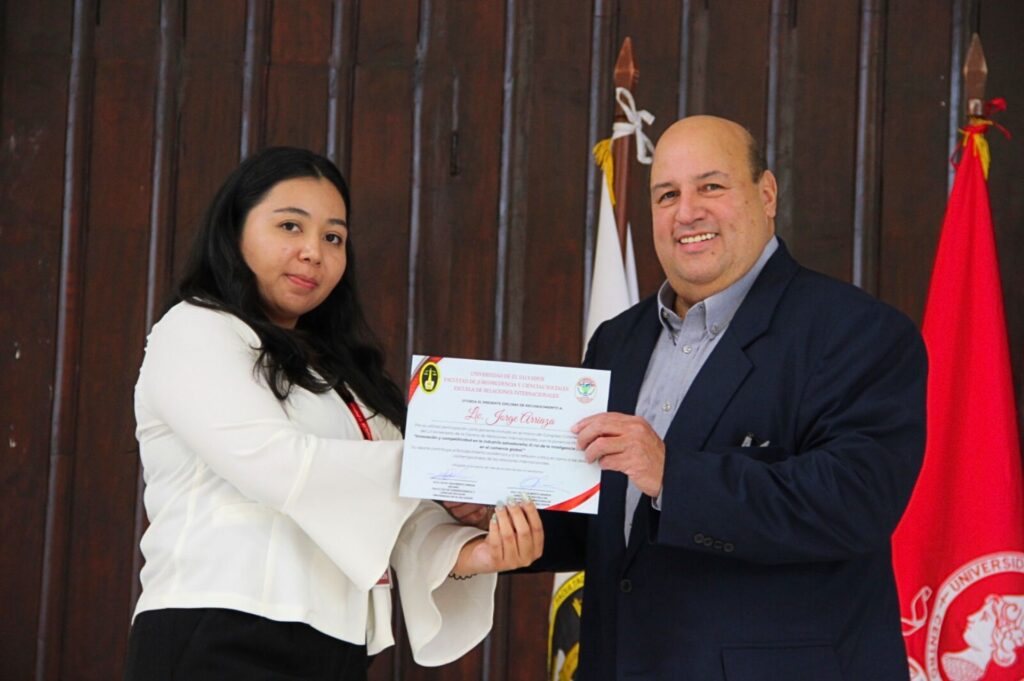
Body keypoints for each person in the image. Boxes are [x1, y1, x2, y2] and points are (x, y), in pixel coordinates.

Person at [452, 115, 927, 680]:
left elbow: (854, 504)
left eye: (711, 186)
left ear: (767, 193)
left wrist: (671, 474)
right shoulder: (617, 340)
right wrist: (500, 510)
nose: (687, 212)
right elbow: (602, 520)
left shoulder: (858, 331)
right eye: (667, 194)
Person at [123, 147, 543, 681]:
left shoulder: (348, 377)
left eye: (333, 237)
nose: (313, 253)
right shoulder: (194, 329)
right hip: (220, 630)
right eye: (290, 226)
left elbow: (402, 516)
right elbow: (279, 464)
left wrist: (476, 552)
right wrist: (446, 462)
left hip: (336, 648)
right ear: (234, 233)